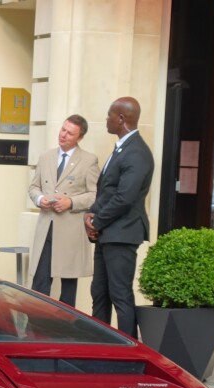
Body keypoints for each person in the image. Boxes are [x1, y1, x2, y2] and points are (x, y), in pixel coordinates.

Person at [85, 97, 155, 336]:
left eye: (109, 115)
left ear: (122, 119)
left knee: (120, 295)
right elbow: (107, 190)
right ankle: (99, 346)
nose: (107, 119)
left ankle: (129, 352)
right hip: (107, 233)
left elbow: (125, 197)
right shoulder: (121, 148)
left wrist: (96, 221)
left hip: (122, 234)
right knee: (99, 293)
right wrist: (90, 214)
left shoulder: (137, 152)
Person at [27, 115, 100, 306]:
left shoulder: (89, 160)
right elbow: (33, 187)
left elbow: (95, 194)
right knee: (39, 283)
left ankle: (65, 330)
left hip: (70, 231)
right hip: (46, 228)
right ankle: (34, 327)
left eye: (70, 133)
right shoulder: (45, 157)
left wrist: (71, 202)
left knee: (68, 287)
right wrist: (40, 198)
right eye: (63, 130)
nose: (64, 135)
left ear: (79, 137)